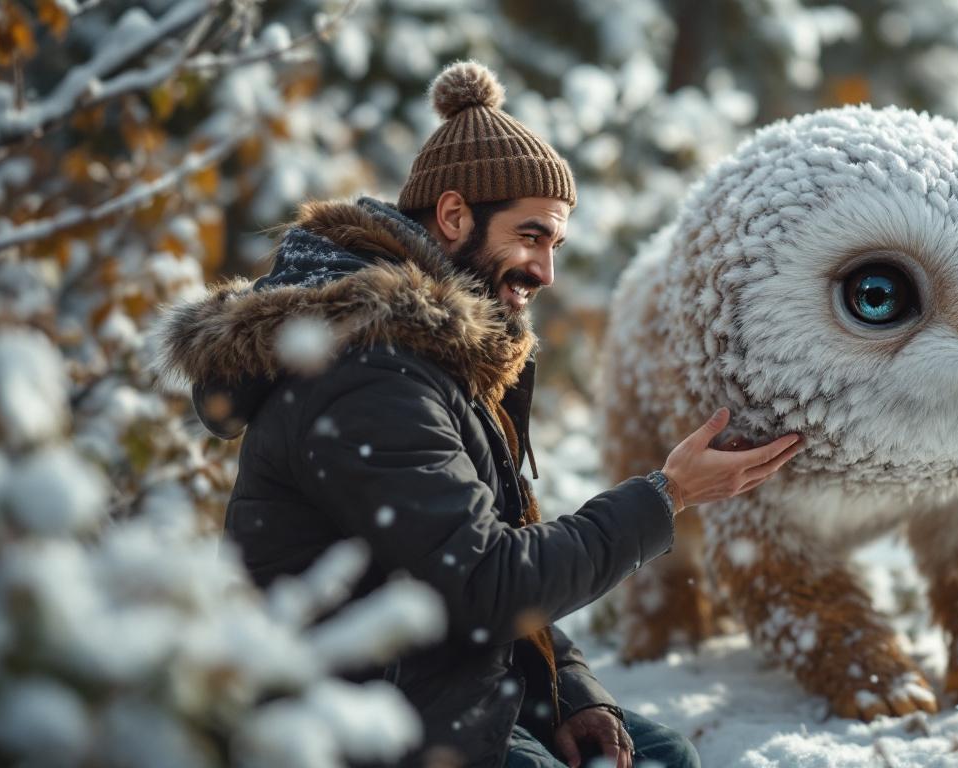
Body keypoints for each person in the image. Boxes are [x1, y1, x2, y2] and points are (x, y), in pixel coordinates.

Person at [158, 60, 802, 768]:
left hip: (446, 683)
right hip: (360, 720)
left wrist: (574, 693)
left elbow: (478, 553)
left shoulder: (433, 357)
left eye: (555, 244)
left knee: (659, 755)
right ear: (456, 215)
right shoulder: (369, 373)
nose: (545, 271)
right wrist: (668, 493)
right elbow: (488, 582)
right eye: (531, 236)